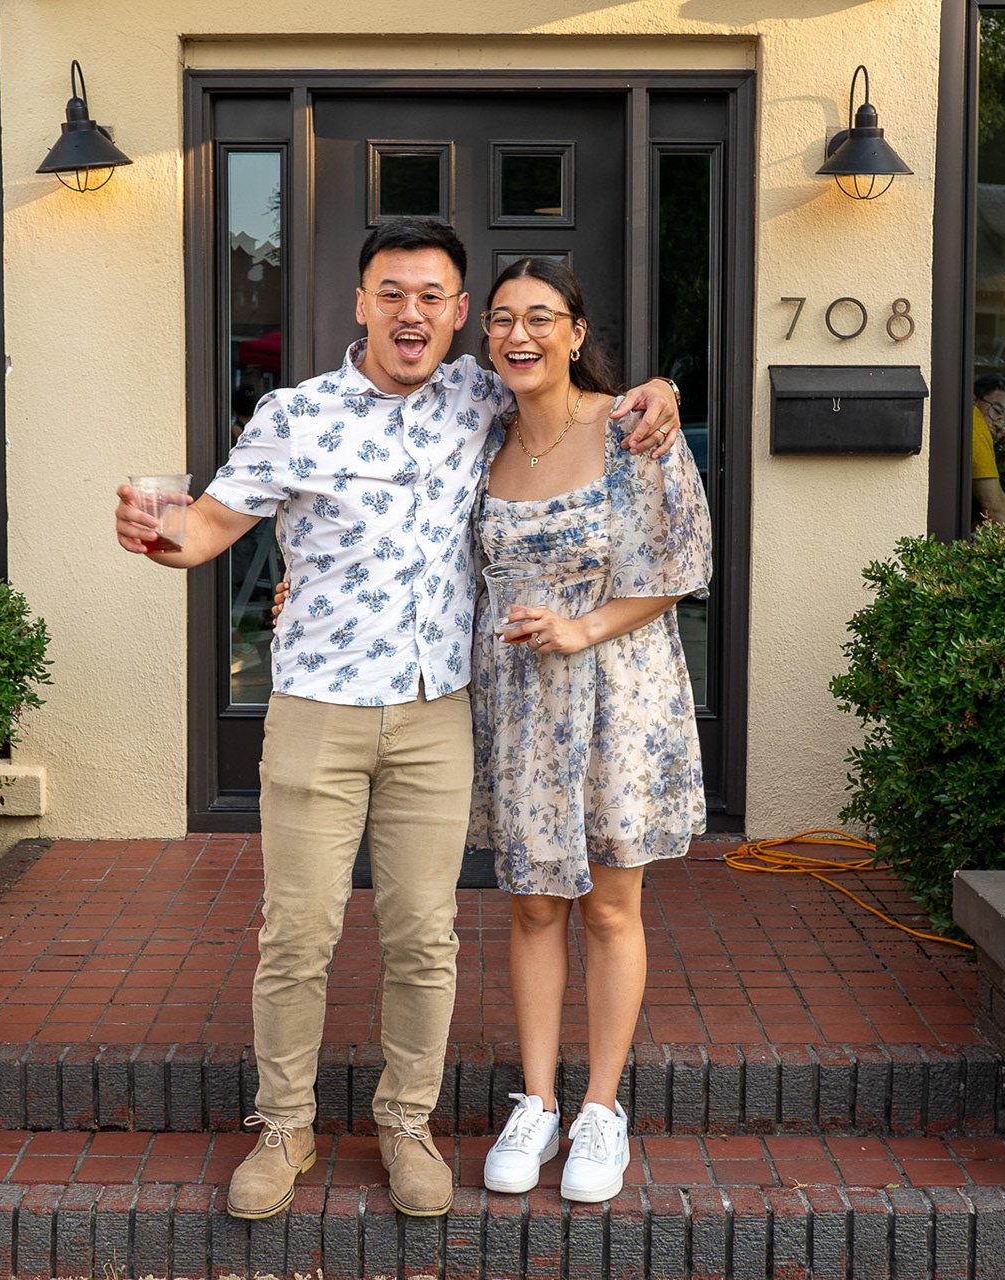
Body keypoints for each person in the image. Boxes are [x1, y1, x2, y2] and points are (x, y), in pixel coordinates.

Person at [113, 217, 682, 1221]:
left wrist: (662, 389)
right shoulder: (294, 414)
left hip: (435, 712)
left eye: (431, 297)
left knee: (424, 936)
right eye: (392, 293)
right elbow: (200, 530)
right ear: (362, 304)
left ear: (458, 315)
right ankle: (283, 1126)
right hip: (318, 709)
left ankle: (407, 1122)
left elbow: (578, 390)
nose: (410, 313)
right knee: (297, 933)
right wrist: (149, 533)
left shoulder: (481, 396)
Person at [467, 257, 712, 1203]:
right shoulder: (480, 434)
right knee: (532, 905)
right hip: (522, 703)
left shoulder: (631, 429)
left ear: (575, 332)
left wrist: (581, 627)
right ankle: (536, 1102)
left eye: (540, 317)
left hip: (618, 694)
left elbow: (679, 567)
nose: (518, 335)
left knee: (610, 907)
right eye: (501, 318)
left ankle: (601, 1109)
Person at [972, 374, 1005, 528]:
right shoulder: (975, 424)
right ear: (974, 400)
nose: (1000, 425)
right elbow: (995, 508)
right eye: (996, 411)